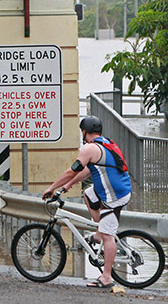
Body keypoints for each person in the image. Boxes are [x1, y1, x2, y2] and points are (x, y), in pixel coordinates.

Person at [42, 116, 131, 289]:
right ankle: (100, 231)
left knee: (108, 236)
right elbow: (89, 170)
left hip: (114, 196)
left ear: (84, 131)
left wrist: (52, 187)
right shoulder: (104, 143)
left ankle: (106, 277)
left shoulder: (89, 148)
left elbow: (72, 170)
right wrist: (68, 185)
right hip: (117, 189)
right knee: (89, 194)